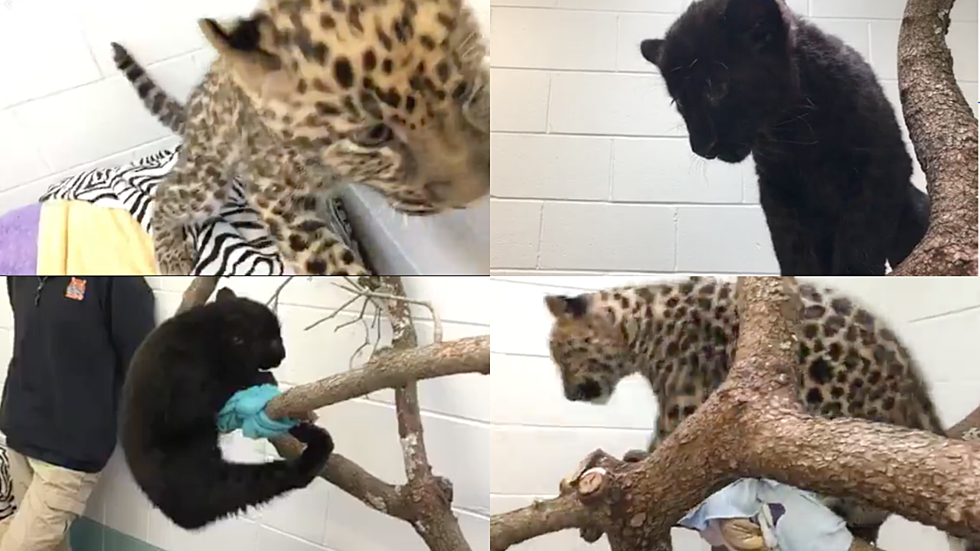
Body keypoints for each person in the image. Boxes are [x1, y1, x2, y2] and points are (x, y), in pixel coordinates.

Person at [0, 277, 156, 551]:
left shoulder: (117, 275)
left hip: (69, 454)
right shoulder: (23, 263)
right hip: (20, 436)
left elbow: (144, 366)